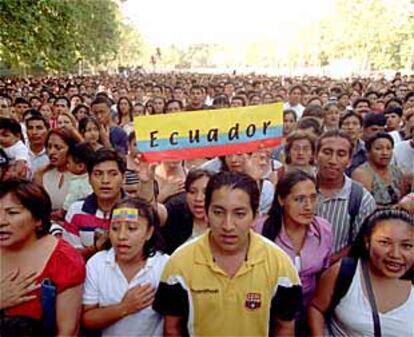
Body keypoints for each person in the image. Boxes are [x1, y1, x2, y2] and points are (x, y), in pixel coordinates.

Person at [153, 171, 302, 336]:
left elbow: (285, 327)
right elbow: (172, 329)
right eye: (218, 212)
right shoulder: (179, 263)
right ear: (207, 212)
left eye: (239, 214)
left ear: (255, 216)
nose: (228, 225)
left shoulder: (280, 264)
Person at [308, 208, 414, 337]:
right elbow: (316, 309)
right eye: (384, 243)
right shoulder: (344, 272)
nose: (395, 254)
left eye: (407, 246)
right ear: (367, 242)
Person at [0, 180, 85, 337]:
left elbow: (68, 332)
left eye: (12, 213)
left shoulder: (64, 259)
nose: (1, 221)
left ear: (38, 219)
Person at [259, 170, 333, 336]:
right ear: (281, 199)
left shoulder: (324, 230)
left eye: (313, 198)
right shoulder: (260, 229)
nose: (308, 206)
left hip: (307, 316)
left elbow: (324, 275)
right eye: (299, 199)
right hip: (269, 317)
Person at [82, 197, 169, 337]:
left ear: (149, 232)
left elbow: (173, 325)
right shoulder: (97, 264)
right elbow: (88, 318)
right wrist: (124, 308)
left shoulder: (164, 265)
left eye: (132, 228)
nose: (121, 236)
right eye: (115, 228)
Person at [315, 130, 376, 262]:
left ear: (349, 161)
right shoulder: (298, 189)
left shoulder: (361, 199)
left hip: (338, 273)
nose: (333, 160)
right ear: (315, 155)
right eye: (327, 152)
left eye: (341, 154)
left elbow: (360, 243)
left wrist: (328, 262)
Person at [63, 148, 126, 259]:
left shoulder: (136, 211)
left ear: (123, 178)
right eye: (98, 174)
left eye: (113, 174)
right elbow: (70, 258)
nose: (105, 180)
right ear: (89, 179)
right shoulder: (76, 210)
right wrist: (95, 248)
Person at [34, 127, 82, 221]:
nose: (51, 152)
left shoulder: (82, 176)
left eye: (58, 147)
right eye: (49, 146)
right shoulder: (41, 175)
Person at [162, 169, 214, 254]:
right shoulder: (177, 212)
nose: (198, 198)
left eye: (205, 192)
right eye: (192, 192)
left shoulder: (224, 225)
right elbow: (152, 212)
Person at [352, 132, 407, 206]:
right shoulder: (361, 173)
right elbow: (363, 205)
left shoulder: (396, 171)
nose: (385, 153)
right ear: (368, 152)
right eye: (378, 149)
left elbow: (402, 198)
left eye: (388, 148)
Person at [63, 142, 95, 211]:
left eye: (68, 162)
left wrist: (63, 211)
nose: (67, 165)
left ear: (80, 166)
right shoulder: (93, 179)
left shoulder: (76, 183)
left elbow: (68, 205)